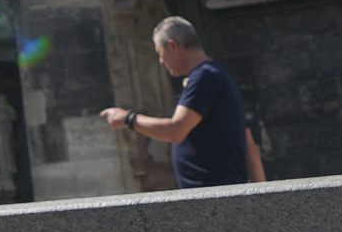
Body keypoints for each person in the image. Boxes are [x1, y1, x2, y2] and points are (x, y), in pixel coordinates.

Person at [102, 16, 266, 189]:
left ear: (173, 46)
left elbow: (176, 131)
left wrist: (128, 119)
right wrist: (262, 194)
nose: (161, 61)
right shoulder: (217, 75)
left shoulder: (205, 77)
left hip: (213, 195)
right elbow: (249, 144)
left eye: (160, 53)